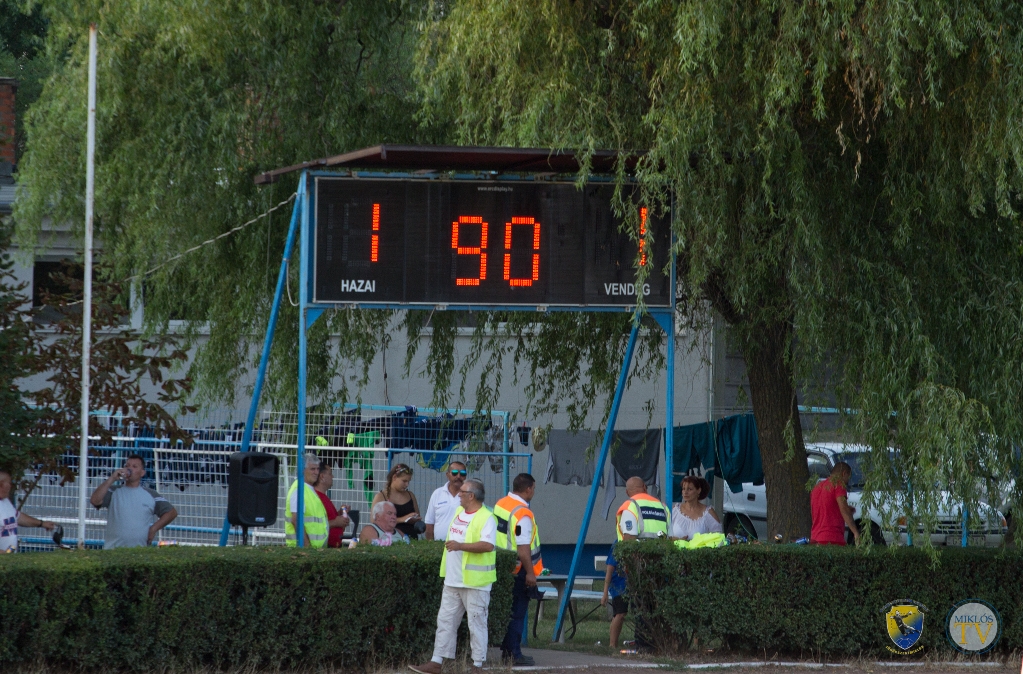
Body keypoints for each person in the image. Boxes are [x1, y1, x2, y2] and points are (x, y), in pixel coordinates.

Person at [410, 479, 496, 674]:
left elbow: (488, 545)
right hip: (453, 579)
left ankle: (477, 665)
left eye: (462, 492)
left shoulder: (486, 517)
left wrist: (460, 546)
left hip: (475, 583)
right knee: (445, 621)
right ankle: (436, 661)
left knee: (477, 624)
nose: (458, 494)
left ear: (471, 496)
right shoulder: (459, 512)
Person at [495, 473, 543, 666]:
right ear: (528, 489)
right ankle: (513, 654)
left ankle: (508, 651)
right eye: (534, 488)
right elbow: (523, 548)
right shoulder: (522, 513)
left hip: (503, 566)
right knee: (517, 613)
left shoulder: (502, 503)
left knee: (509, 611)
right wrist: (530, 573)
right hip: (519, 570)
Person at [90, 454, 177, 549]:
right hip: (113, 550)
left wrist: (154, 528)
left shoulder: (150, 494)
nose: (129, 469)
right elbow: (95, 500)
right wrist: (112, 478)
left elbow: (171, 512)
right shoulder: (113, 491)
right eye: (127, 466)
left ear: (142, 473)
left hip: (139, 552)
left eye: (134, 466)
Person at [0, 468, 56, 553]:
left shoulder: (5, 502)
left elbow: (19, 517)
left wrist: (42, 524)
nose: (11, 486)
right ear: (1, 484)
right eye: (9, 483)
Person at [810, 461, 860, 545]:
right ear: (844, 473)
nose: (848, 481)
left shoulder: (817, 487)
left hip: (815, 537)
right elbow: (844, 509)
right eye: (848, 477)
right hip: (832, 537)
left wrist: (846, 508)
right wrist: (855, 532)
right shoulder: (838, 484)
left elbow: (821, 509)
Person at [285, 453, 328, 548]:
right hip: (303, 550)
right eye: (312, 469)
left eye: (317, 469)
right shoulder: (298, 489)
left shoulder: (307, 488)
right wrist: (307, 547)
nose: (316, 472)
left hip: (313, 549)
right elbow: (296, 520)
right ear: (302, 470)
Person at [371, 463, 421, 539]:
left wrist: (415, 519)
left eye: (408, 481)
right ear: (394, 477)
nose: (407, 484)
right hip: (391, 540)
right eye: (404, 481)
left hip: (411, 538)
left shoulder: (410, 495)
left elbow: (418, 516)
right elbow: (374, 522)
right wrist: (403, 519)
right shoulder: (381, 497)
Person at [616, 476, 671, 540]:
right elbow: (670, 537)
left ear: (627, 492)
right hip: (662, 549)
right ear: (645, 487)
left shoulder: (630, 506)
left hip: (640, 549)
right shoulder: (663, 506)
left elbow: (630, 538)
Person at [424, 461, 467, 541]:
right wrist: (431, 545)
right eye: (454, 473)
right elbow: (429, 523)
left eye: (462, 473)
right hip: (439, 545)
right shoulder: (437, 494)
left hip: (463, 546)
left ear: (465, 476)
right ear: (447, 475)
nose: (458, 476)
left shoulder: (470, 495)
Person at [670, 476, 723, 540]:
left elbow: (719, 538)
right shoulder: (675, 511)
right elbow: (663, 535)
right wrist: (674, 540)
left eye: (689, 489)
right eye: (683, 489)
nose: (685, 492)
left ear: (698, 490)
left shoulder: (708, 513)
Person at [313, 459, 350, 548]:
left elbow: (327, 518)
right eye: (330, 473)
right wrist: (335, 522)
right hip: (326, 547)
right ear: (322, 476)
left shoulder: (324, 497)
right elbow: (314, 525)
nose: (332, 476)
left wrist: (339, 514)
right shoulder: (316, 498)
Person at [601, 541, 628, 648]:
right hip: (618, 585)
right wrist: (605, 593)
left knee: (621, 614)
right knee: (620, 614)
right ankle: (612, 644)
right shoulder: (617, 545)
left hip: (627, 584)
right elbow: (609, 570)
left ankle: (614, 643)